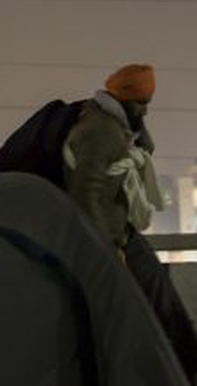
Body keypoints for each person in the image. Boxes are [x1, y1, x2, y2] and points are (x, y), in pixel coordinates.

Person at [64, 63, 166, 256]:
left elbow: (147, 148)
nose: (145, 112)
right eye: (140, 103)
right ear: (122, 100)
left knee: (156, 282)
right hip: (104, 244)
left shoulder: (121, 128)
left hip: (122, 235)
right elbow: (84, 194)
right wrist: (105, 250)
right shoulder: (102, 132)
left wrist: (138, 127)